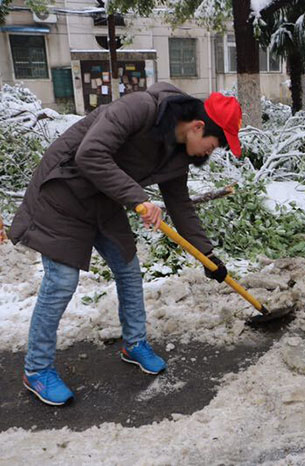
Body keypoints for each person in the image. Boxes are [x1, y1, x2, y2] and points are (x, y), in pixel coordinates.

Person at [9, 83, 243, 406]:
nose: (209, 153)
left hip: (103, 199)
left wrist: (207, 255)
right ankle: (36, 370)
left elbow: (179, 204)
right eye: (213, 145)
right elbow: (90, 153)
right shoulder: (139, 109)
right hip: (63, 189)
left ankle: (134, 344)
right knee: (62, 281)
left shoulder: (178, 153)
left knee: (128, 267)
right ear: (198, 126)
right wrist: (138, 198)